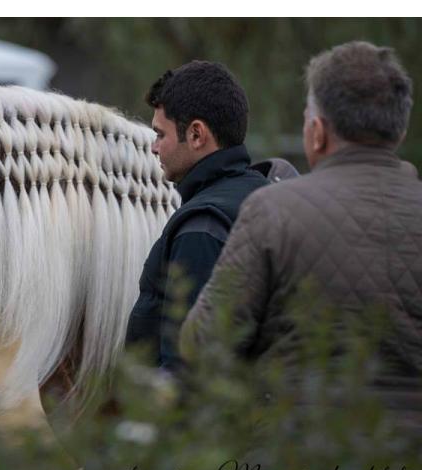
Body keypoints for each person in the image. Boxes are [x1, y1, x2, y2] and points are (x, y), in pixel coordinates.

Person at [180, 41, 422, 423]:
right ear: (400, 129)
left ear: (317, 132)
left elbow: (204, 342)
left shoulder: (272, 211)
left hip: (300, 456)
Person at [125, 61, 269, 373]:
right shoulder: (263, 194)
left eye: (160, 134)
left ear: (195, 134)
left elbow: (187, 370)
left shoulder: (201, 228)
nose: (153, 147)